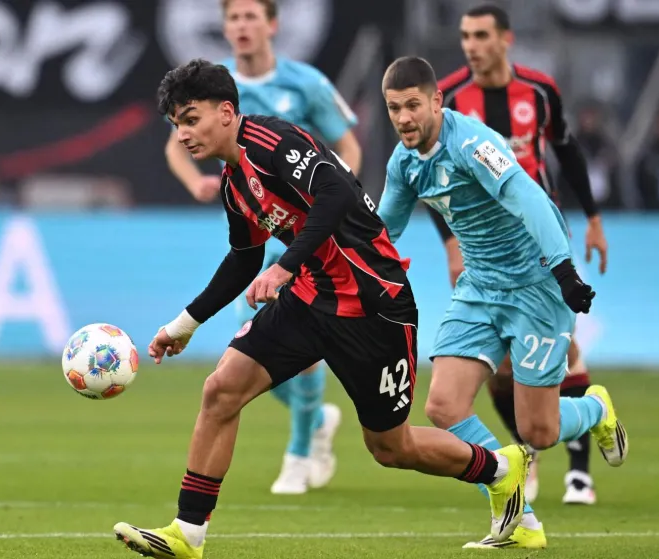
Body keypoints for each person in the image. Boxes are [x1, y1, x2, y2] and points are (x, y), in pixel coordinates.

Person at [113, 59, 533, 559]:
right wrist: (183, 325)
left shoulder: (274, 143)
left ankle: (502, 470)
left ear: (226, 112)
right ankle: (188, 533)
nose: (183, 134)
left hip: (375, 304)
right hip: (311, 299)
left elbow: (334, 190)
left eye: (190, 117)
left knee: (390, 448)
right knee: (221, 390)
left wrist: (286, 264)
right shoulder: (234, 182)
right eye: (176, 124)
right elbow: (245, 257)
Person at [378, 56, 628, 551]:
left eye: (412, 105)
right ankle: (522, 518)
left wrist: (564, 270)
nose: (404, 118)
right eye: (393, 109)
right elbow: (383, 231)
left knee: (540, 428)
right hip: (479, 288)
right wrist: (318, 261)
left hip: (536, 285)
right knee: (444, 407)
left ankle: (595, 409)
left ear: (435, 101)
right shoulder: (403, 163)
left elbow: (530, 199)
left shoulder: (472, 143)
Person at [164, 0, 363, 495]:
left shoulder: (306, 83)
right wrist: (195, 183)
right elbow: (176, 143)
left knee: (294, 346)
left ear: (272, 25)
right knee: (246, 349)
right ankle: (315, 419)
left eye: (252, 16)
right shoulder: (211, 88)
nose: (242, 26)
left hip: (311, 232)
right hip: (261, 226)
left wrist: (344, 199)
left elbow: (347, 146)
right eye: (233, 18)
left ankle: (299, 451)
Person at [432, 3, 609, 506]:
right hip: (484, 251)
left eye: (482, 35)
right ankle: (525, 454)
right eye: (466, 35)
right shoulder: (450, 98)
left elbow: (568, 152)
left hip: (539, 243)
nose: (472, 45)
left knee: (565, 350)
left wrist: (594, 219)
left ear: (505, 39)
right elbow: (430, 175)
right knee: (501, 367)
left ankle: (578, 472)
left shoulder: (538, 91)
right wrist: (450, 243)